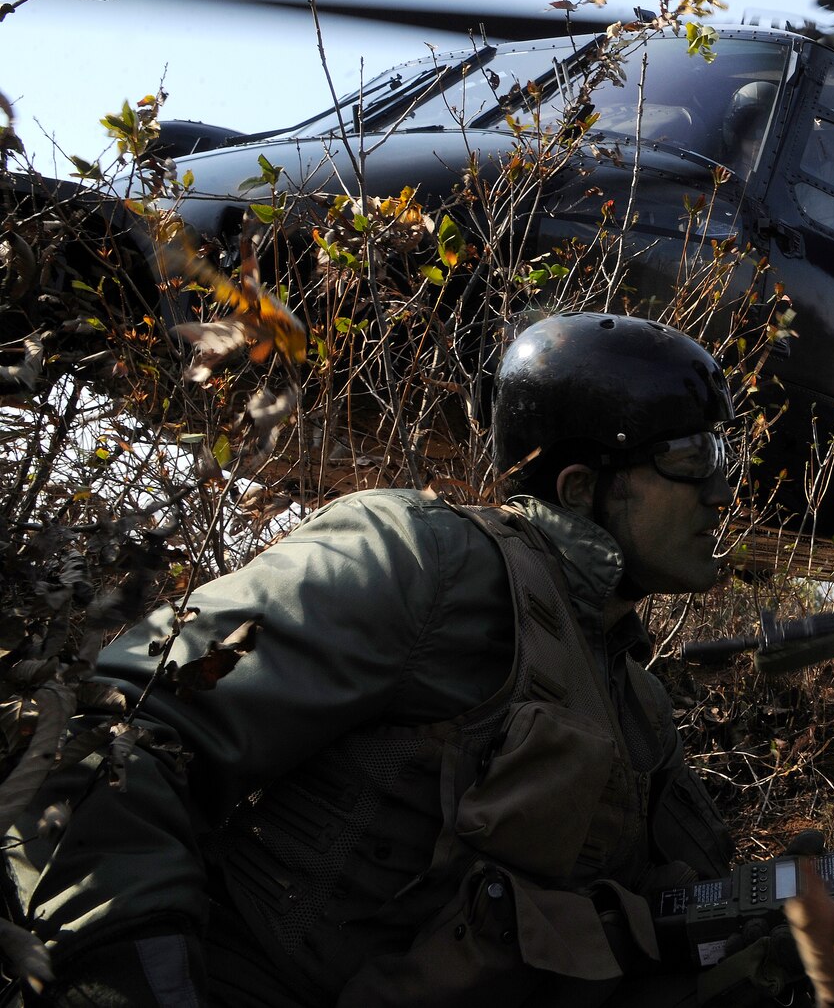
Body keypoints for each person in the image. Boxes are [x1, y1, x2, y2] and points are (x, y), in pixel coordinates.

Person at [12, 313, 744, 1007]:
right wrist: (130, 980)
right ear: (580, 486)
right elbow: (127, 722)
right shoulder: (424, 562)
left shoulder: (636, 705)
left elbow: (674, 921)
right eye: (690, 457)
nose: (723, 491)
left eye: (725, 455)